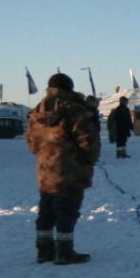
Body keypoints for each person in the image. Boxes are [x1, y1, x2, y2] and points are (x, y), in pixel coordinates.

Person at [26, 73, 100, 264]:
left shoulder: (36, 111)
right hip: (70, 169)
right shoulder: (74, 110)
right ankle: (65, 251)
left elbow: (31, 143)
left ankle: (44, 250)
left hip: (46, 169)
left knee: (47, 210)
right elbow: (88, 141)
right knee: (67, 210)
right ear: (70, 88)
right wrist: (88, 160)